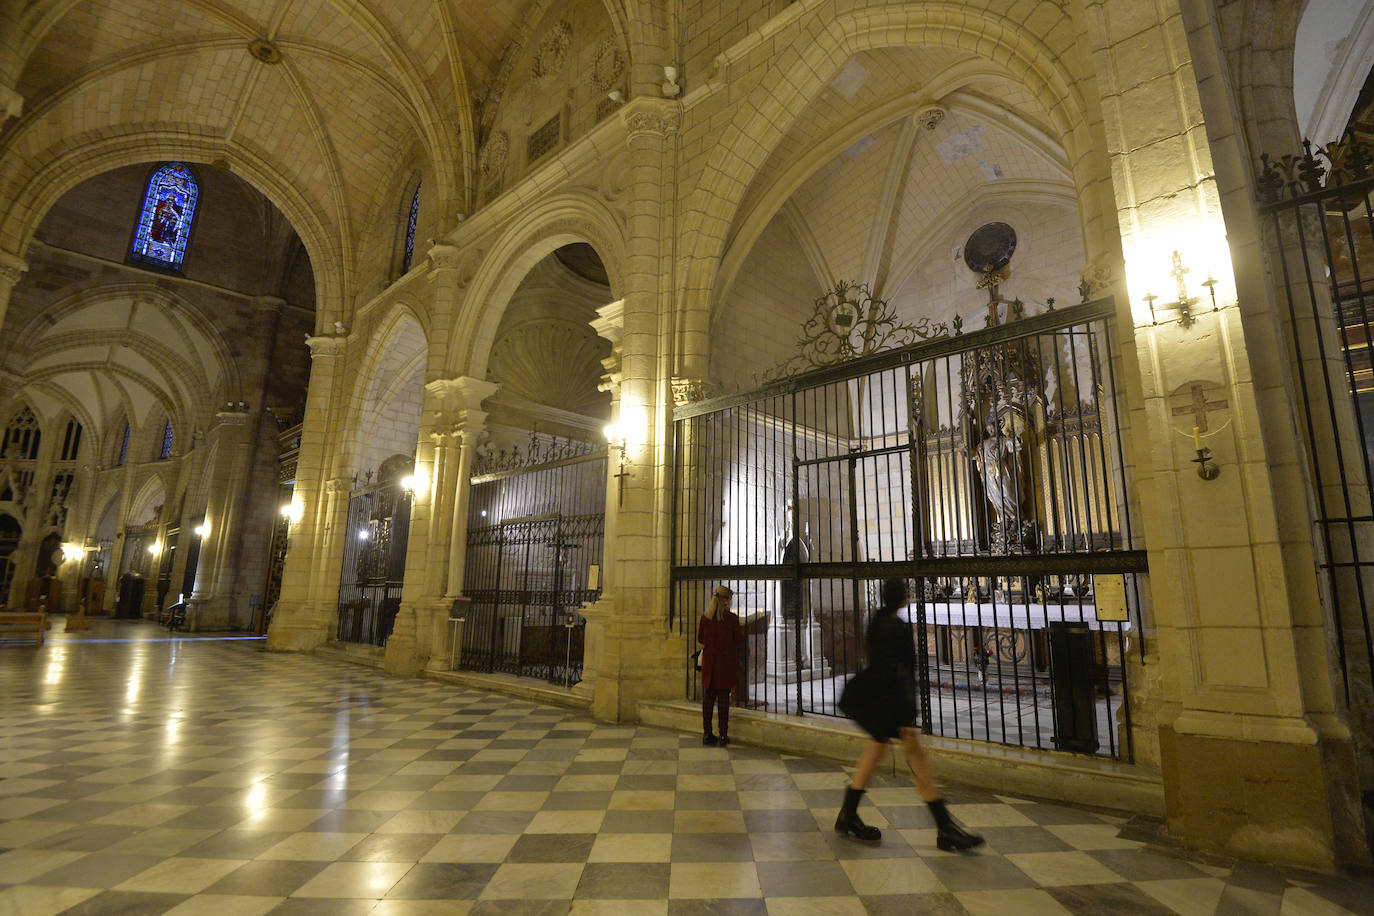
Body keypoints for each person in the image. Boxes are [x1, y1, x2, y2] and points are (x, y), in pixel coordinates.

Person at [836, 577, 983, 851]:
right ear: (903, 598)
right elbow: (903, 671)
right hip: (891, 702)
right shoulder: (896, 627)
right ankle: (945, 829)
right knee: (916, 758)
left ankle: (848, 814)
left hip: (874, 697)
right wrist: (909, 714)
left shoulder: (877, 621)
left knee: (877, 750)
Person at [697, 584, 744, 746]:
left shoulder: (705, 617)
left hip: (710, 664)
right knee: (724, 702)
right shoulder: (731, 619)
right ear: (726, 600)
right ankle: (723, 736)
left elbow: (701, 639)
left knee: (708, 701)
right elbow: (739, 641)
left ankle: (707, 734)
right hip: (725, 664)